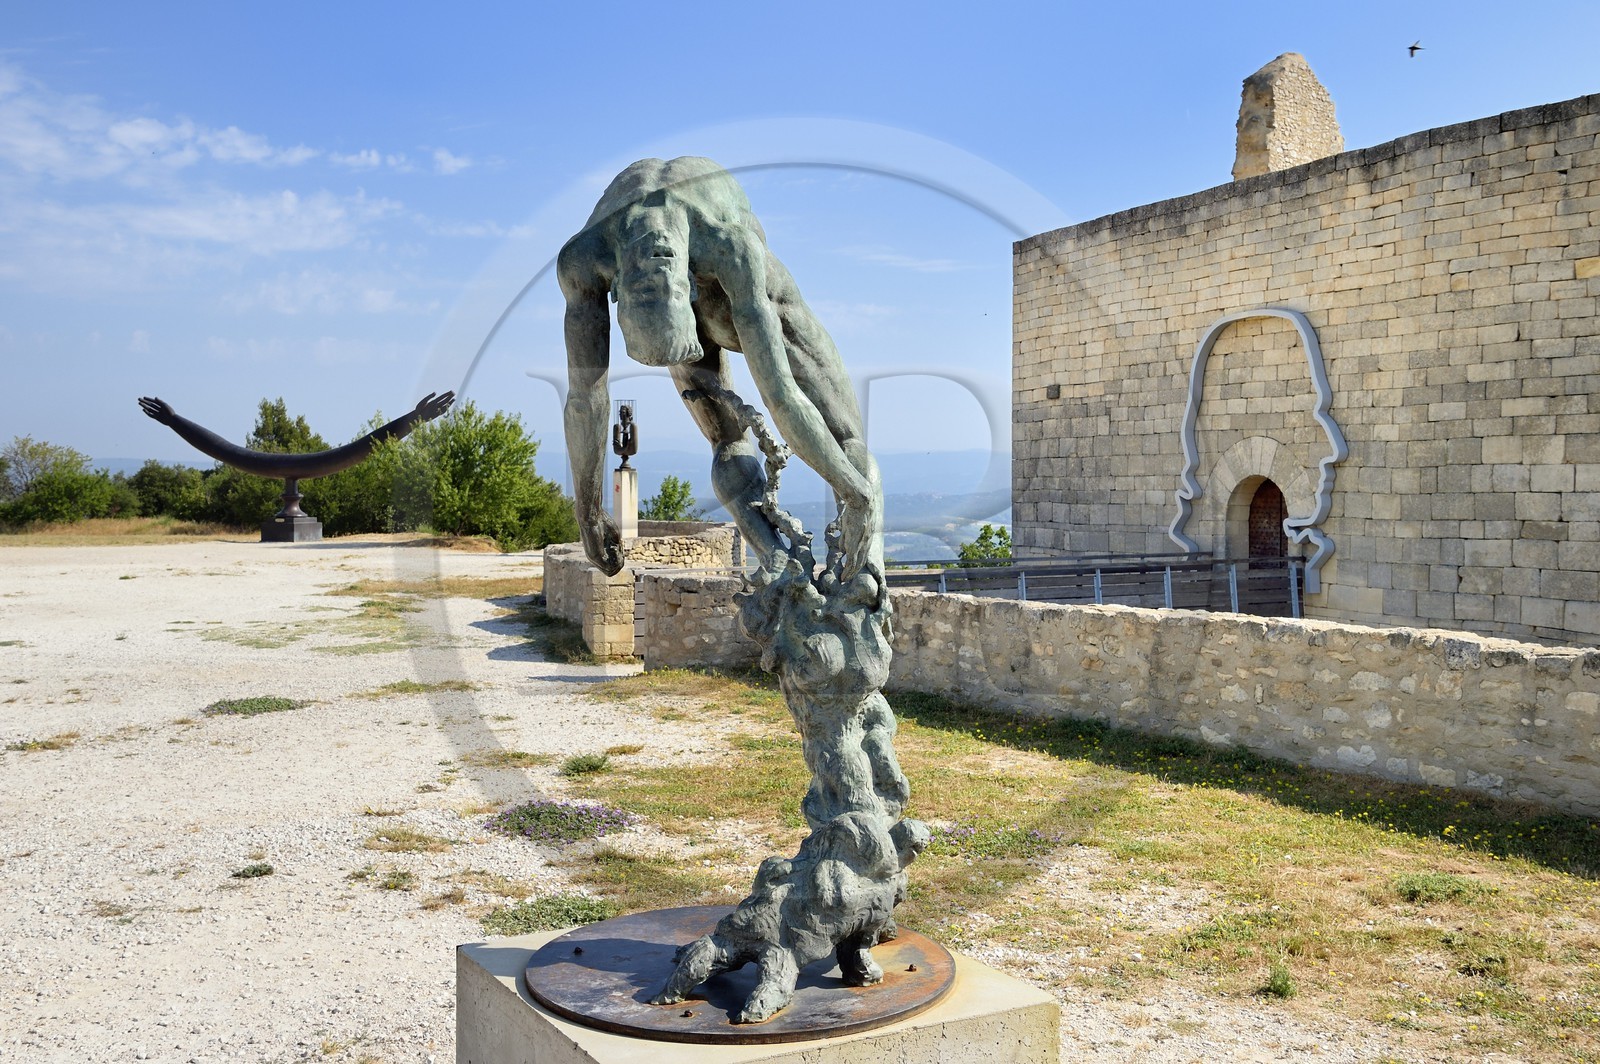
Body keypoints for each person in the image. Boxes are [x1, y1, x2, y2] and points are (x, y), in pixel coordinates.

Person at [559, 157, 882, 584]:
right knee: (726, 440)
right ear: (616, 287)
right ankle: (779, 563)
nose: (653, 270)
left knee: (847, 440)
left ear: (688, 285)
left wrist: (856, 495)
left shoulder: (730, 246)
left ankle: (868, 572)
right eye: (646, 290)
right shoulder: (583, 260)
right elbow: (586, 395)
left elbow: (781, 395)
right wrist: (589, 513)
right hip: (691, 294)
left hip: (749, 296)